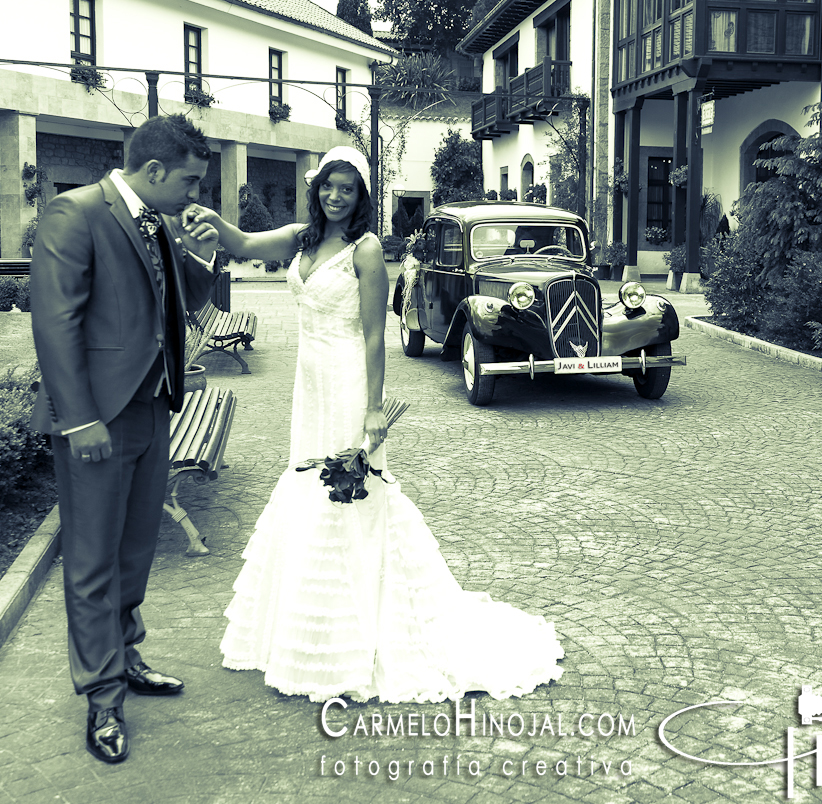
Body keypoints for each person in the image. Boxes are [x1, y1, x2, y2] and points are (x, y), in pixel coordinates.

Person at [189, 146, 564, 703]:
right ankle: (300, 628)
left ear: (361, 195)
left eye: (346, 188)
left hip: (344, 380)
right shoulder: (302, 238)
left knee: (350, 490)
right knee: (306, 481)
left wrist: (373, 408)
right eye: (327, 187)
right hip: (307, 382)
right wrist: (206, 218)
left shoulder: (364, 251)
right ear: (316, 189)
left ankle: (361, 632)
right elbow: (242, 245)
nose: (335, 196)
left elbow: (373, 336)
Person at [29, 114, 220, 763]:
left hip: (151, 408)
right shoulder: (74, 213)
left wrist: (202, 251)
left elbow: (188, 302)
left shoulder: (160, 220)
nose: (197, 193)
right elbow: (55, 322)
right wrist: (78, 418)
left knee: (136, 550)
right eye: (191, 182)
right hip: (98, 418)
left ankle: (126, 654)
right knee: (91, 563)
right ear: (157, 171)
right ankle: (102, 696)